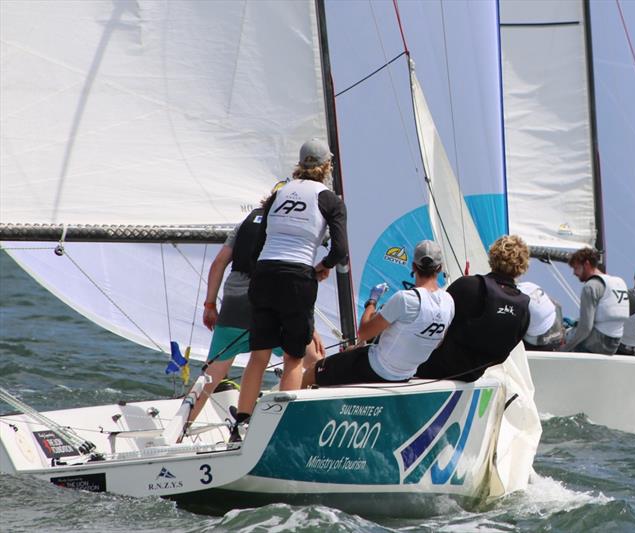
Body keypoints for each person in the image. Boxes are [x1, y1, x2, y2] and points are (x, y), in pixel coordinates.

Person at [231, 138, 348, 437]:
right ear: (326, 167)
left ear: (301, 164)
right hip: (297, 278)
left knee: (259, 356)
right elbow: (339, 251)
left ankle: (241, 423)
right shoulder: (330, 200)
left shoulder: (277, 195)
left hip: (265, 273)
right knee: (293, 358)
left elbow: (257, 247)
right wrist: (322, 268)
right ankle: (279, 429)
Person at [185, 203, 324, 432]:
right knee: (313, 358)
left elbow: (219, 262)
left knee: (212, 374)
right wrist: (311, 325)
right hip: (270, 298)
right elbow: (294, 277)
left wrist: (210, 304)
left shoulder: (244, 224)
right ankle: (297, 422)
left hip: (233, 302)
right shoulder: (293, 225)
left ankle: (181, 429)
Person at [302, 240, 454, 388]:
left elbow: (363, 333)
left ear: (414, 266)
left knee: (311, 372)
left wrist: (372, 301)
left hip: (378, 369)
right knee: (351, 351)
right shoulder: (449, 301)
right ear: (439, 268)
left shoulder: (406, 299)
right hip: (406, 373)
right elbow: (437, 343)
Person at [415, 235, 531, 382]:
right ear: (523, 266)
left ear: (493, 257)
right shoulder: (524, 307)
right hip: (473, 376)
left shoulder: (468, 285)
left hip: (432, 369)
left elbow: (432, 317)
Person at [561, 248, 629, 355]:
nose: (574, 273)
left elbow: (585, 328)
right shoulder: (619, 282)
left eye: (576, 268)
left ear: (587, 264)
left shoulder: (590, 287)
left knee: (564, 335)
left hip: (598, 344)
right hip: (615, 344)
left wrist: (564, 349)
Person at [518, 279, 565, 351]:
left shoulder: (514, 296)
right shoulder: (529, 285)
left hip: (539, 340)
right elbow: (557, 305)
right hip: (557, 328)